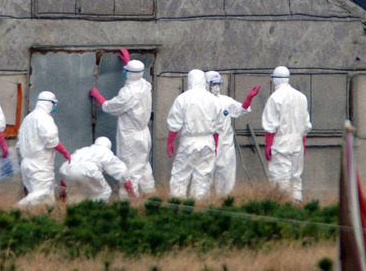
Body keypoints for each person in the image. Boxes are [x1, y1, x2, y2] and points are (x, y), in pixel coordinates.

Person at [89, 49, 155, 197]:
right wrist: (128, 62)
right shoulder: (145, 86)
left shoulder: (128, 93)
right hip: (144, 134)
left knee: (129, 172)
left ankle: (130, 205)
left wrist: (97, 95)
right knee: (144, 168)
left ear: (128, 73)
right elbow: (138, 76)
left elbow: (110, 107)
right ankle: (153, 197)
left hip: (131, 137)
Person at [166, 69, 225, 200]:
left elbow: (175, 123)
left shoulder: (182, 98)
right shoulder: (213, 99)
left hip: (189, 141)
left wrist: (170, 142)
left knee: (180, 175)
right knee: (203, 177)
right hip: (208, 141)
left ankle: (177, 205)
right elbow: (218, 125)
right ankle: (200, 207)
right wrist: (215, 145)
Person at [262, 66, 312, 202]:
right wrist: (303, 142)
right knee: (296, 177)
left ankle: (283, 205)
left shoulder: (275, 98)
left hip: (280, 142)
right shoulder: (301, 97)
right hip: (297, 141)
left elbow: (270, 125)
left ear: (275, 79)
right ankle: (297, 204)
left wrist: (268, 145)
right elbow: (306, 124)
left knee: (280, 176)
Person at [205, 71, 260, 196]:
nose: (217, 86)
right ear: (206, 84)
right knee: (206, 176)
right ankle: (206, 202)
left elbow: (240, 109)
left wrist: (248, 99)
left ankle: (226, 201)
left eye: (219, 84)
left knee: (227, 175)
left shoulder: (225, 100)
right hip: (208, 143)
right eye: (214, 84)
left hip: (225, 144)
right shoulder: (202, 101)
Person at [16, 91, 71, 207]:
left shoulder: (28, 118)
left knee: (47, 198)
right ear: (49, 103)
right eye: (54, 104)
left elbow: (19, 143)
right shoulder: (44, 118)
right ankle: (14, 210)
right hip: (40, 165)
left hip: (27, 164)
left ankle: (49, 219)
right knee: (41, 194)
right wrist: (66, 153)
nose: (54, 107)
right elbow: (51, 140)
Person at [58, 136, 135, 203]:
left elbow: (67, 174)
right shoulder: (105, 152)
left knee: (76, 194)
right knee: (104, 192)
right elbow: (123, 172)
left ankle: (75, 212)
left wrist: (62, 194)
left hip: (67, 169)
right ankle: (96, 212)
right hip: (89, 170)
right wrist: (132, 194)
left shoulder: (83, 150)